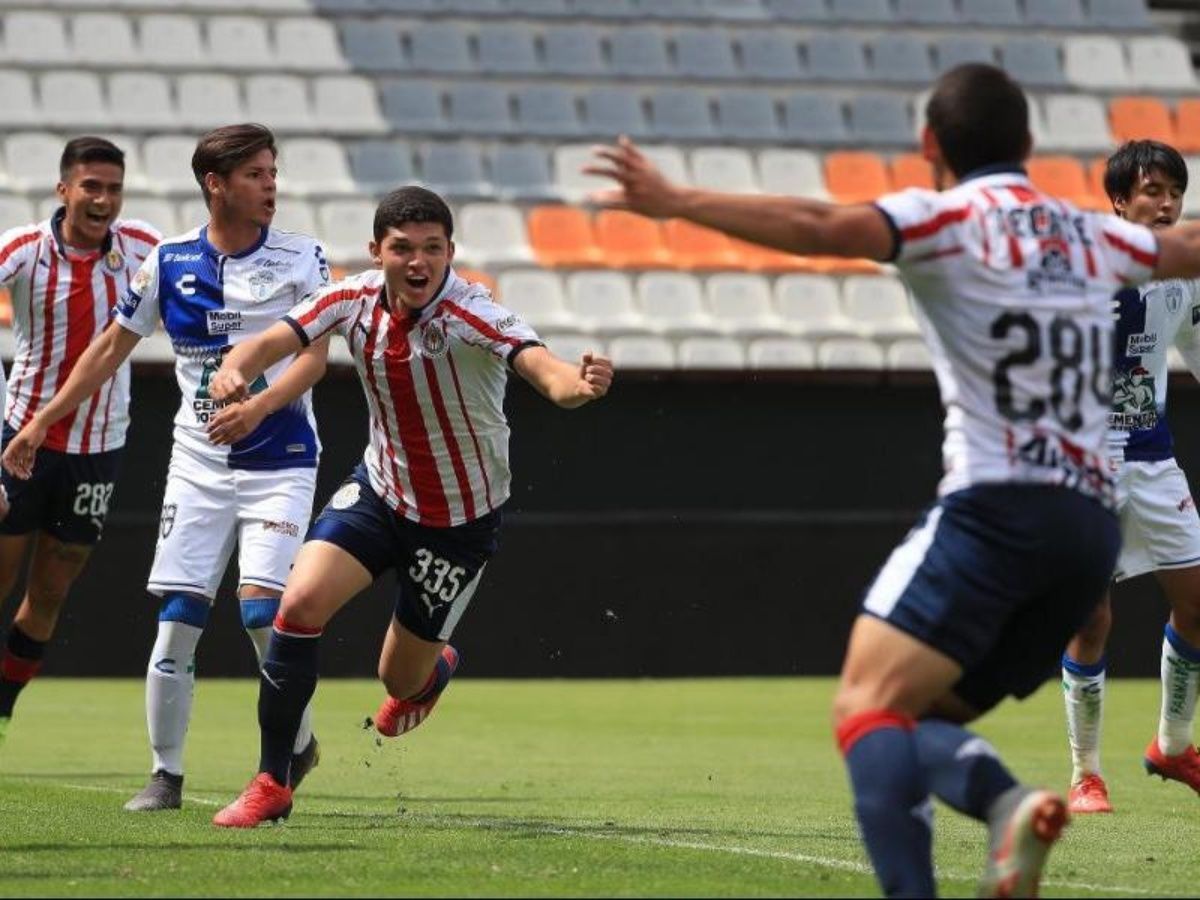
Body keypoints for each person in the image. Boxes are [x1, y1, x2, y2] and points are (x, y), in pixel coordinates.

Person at [585, 62, 1200, 897]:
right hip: (1088, 524)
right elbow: (1187, 247)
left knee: (863, 711)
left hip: (999, 507)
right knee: (917, 720)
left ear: (929, 146)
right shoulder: (1092, 234)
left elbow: (818, 221)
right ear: (1028, 144)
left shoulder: (942, 219)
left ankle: (974, 832)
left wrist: (678, 202)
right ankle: (1008, 800)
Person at [203, 185, 613, 828]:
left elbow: (544, 370)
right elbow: (269, 342)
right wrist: (235, 369)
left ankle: (430, 672)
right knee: (298, 605)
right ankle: (272, 781)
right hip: (380, 491)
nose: (418, 262)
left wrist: (576, 387)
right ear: (377, 252)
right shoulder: (351, 298)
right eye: (403, 249)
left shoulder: (473, 312)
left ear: (451, 251)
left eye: (432, 248)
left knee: (398, 679)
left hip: (457, 523)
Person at [2, 124, 329, 812]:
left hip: (282, 459)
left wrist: (260, 406)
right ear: (216, 185)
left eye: (273, 173)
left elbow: (314, 358)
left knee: (264, 612)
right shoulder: (168, 261)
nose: (272, 186)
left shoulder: (303, 257)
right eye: (256, 175)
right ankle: (166, 775)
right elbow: (107, 349)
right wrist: (39, 421)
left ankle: (294, 743)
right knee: (179, 616)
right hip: (198, 462)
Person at [0, 137, 159, 748]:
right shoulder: (25, 249)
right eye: (91, 187)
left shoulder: (142, 248)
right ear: (64, 189)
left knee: (50, 590)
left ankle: (4, 705)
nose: (103, 200)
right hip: (23, 439)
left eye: (113, 188)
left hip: (98, 448)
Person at [1061, 141, 1200, 814]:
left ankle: (1173, 747)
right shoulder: (1082, 267)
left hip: (1153, 459)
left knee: (1199, 603)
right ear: (1119, 200)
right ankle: (1086, 774)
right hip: (1087, 463)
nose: (1166, 201)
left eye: (1174, 188)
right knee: (1091, 619)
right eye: (1151, 189)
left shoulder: (1186, 275)